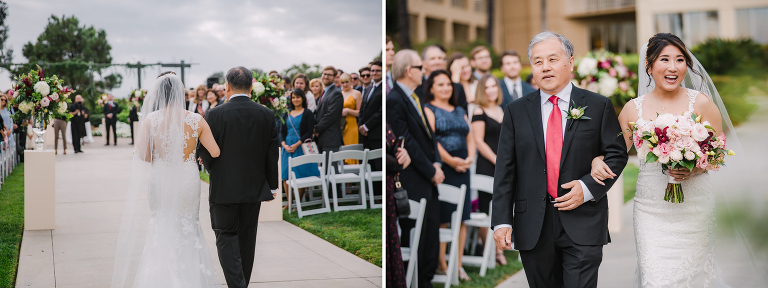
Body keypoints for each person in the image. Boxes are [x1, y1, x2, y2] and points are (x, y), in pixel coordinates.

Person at [592, 33, 735, 287]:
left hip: (695, 208)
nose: (673, 67)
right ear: (649, 66)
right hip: (651, 211)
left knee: (696, 276)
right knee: (655, 278)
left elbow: (718, 152)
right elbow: (615, 153)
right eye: (664, 59)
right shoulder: (632, 109)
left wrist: (694, 169)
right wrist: (596, 160)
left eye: (680, 60)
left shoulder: (701, 103)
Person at [491, 32, 629, 288]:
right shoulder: (515, 111)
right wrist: (501, 220)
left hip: (584, 220)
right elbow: (505, 170)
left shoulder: (598, 106)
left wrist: (587, 188)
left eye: (552, 59)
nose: (545, 67)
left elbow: (617, 154)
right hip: (533, 224)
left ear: (571, 62)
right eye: (537, 61)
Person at [111, 71, 222, 288]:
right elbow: (215, 152)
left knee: (161, 225)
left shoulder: (151, 120)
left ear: (159, 95)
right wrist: (196, 154)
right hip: (187, 179)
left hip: (160, 177)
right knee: (188, 225)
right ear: (182, 93)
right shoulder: (196, 119)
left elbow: (143, 155)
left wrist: (161, 157)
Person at [198, 67, 279, 288]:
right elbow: (272, 153)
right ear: (252, 86)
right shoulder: (266, 114)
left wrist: (216, 171)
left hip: (223, 188)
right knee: (247, 238)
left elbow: (205, 152)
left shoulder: (214, 114)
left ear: (228, 86)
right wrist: (271, 186)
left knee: (225, 236)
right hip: (254, 189)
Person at [387, 49, 444, 288]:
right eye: (421, 67)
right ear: (410, 71)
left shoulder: (414, 95)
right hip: (414, 177)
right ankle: (419, 281)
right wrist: (431, 171)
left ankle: (426, 280)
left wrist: (437, 162)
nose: (425, 71)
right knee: (419, 234)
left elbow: (429, 137)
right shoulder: (394, 100)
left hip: (427, 174)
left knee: (431, 231)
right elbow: (406, 141)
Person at [423, 70, 475, 281]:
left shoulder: (459, 109)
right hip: (444, 168)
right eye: (440, 84)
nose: (445, 88)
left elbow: (469, 135)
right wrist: (450, 161)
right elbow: (432, 140)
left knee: (462, 218)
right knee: (443, 217)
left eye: (448, 84)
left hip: (464, 165)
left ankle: (458, 263)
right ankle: (442, 263)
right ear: (432, 88)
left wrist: (470, 157)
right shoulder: (428, 109)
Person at [470, 74, 506, 264]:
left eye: (494, 86)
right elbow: (478, 141)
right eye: (487, 87)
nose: (491, 90)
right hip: (486, 165)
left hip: (502, 165)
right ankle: (490, 253)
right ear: (482, 91)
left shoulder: (501, 110)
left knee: (500, 207)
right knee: (486, 209)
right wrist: (497, 160)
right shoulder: (478, 111)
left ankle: (500, 248)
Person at [279, 89, 319, 209]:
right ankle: (289, 202)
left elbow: (309, 132)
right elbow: (281, 131)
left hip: (300, 145)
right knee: (285, 175)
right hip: (287, 147)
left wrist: (297, 144)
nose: (295, 100)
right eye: (293, 97)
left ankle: (298, 202)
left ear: (303, 98)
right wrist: (284, 145)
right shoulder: (286, 112)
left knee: (299, 173)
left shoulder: (308, 113)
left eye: (298, 97)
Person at [385, 123, 410, 288]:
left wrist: (403, 153)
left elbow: (392, 145)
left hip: (390, 190)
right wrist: (399, 164)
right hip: (387, 188)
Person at [416, 45, 468, 114]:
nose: (437, 62)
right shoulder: (417, 85)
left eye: (440, 58)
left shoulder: (458, 87)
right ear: (424, 63)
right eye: (432, 59)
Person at [314, 66, 344, 164]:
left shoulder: (336, 93)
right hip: (322, 138)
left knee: (330, 171)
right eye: (324, 74)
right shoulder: (325, 92)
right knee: (323, 170)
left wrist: (317, 128)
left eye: (329, 75)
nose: (326, 77)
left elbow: (330, 115)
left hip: (330, 139)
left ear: (335, 77)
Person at [339, 73, 362, 146]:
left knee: (351, 148)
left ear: (351, 82)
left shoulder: (356, 93)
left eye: (347, 82)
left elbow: (360, 112)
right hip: (340, 125)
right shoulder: (339, 94)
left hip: (352, 124)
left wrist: (348, 111)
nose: (345, 84)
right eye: (343, 82)